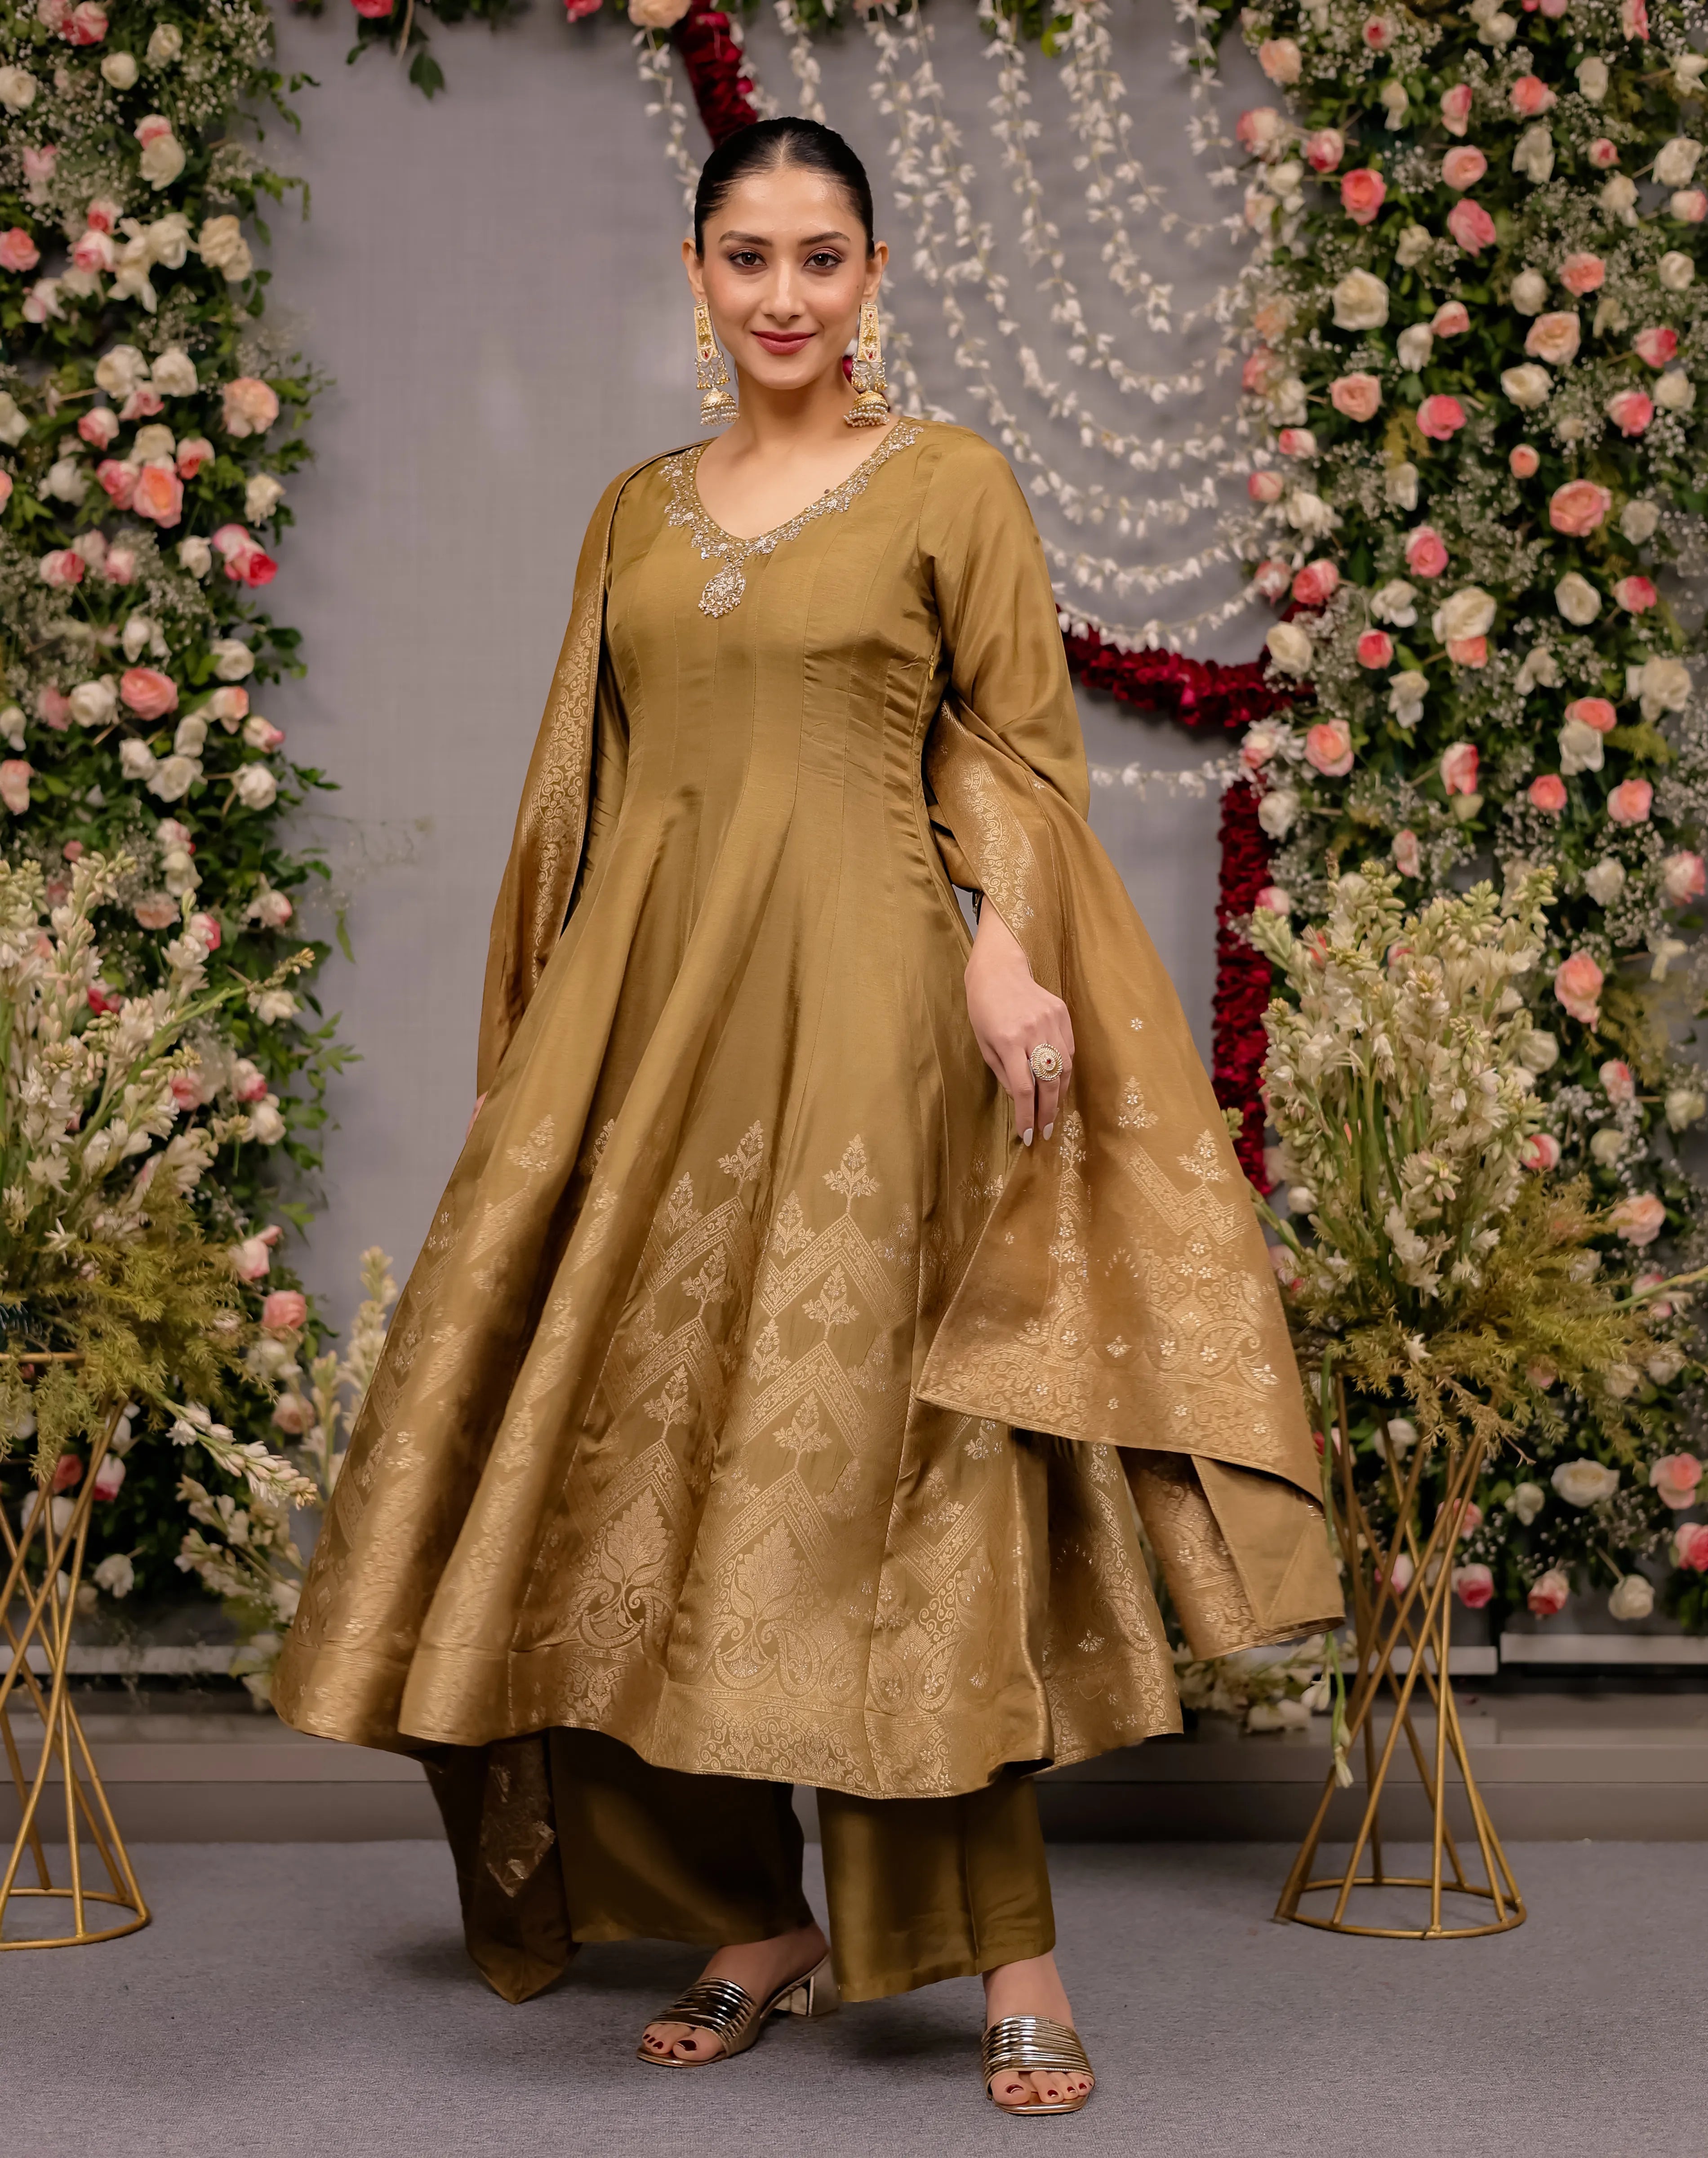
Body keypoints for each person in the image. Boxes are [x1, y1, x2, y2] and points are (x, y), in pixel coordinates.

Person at [274, 116, 1339, 2118]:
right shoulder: (630, 512)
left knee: (876, 1482)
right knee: (614, 1469)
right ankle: (746, 1915)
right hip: (641, 1033)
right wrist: (536, 1054)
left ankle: (1009, 1953)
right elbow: (573, 795)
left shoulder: (949, 483)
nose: (784, 294)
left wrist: (1002, 958)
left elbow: (1015, 758)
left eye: (820, 256)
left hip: (866, 1025)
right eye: (748, 256)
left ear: (871, 277)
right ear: (698, 273)